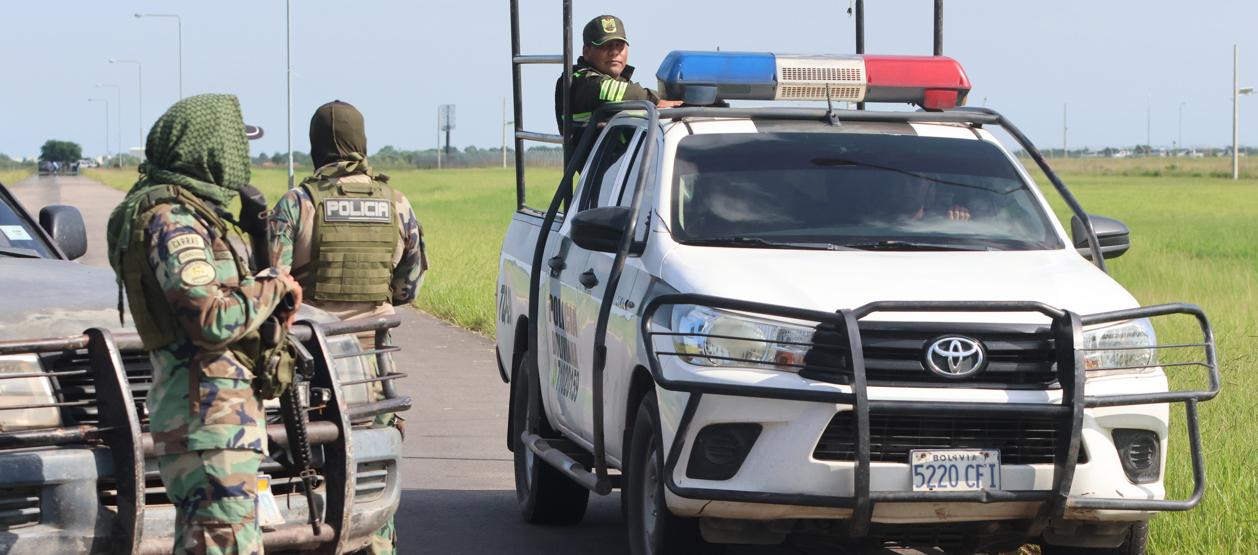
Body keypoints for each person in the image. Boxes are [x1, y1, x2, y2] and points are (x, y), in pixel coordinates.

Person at [106, 93, 302, 554]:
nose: (245, 158)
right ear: (211, 152)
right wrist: (274, 285)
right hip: (209, 421)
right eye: (239, 145)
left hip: (218, 422)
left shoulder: (194, 215)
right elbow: (210, 319)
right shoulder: (174, 221)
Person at [267, 100, 427, 555]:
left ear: (317, 145)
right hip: (375, 368)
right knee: (375, 462)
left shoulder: (297, 204)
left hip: (309, 367)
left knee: (304, 466)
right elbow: (409, 284)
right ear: (361, 140)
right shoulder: (395, 203)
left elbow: (268, 286)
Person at [555, 15, 682, 157]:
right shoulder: (577, 80)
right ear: (586, 52)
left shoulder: (622, 85)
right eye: (605, 46)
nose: (614, 52)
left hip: (624, 167)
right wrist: (656, 100)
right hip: (605, 172)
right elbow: (606, 90)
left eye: (619, 46)